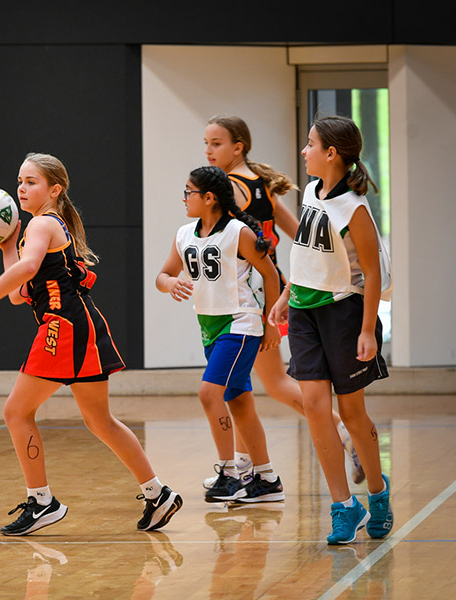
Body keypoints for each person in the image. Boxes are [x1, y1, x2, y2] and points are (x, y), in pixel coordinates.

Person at [0, 152, 183, 535]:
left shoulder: (42, 224)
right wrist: (7, 243)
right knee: (100, 421)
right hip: (81, 325)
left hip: (65, 328)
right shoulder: (38, 229)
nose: (22, 188)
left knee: (16, 412)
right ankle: (158, 494)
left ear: (54, 189)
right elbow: (19, 293)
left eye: (31, 182)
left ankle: (42, 501)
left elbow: (25, 271)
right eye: (19, 182)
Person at [203, 115, 364, 486]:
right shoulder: (259, 184)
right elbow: (301, 232)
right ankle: (245, 466)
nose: (209, 150)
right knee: (244, 385)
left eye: (216, 143)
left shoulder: (228, 188)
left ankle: (340, 434)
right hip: (270, 290)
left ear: (237, 146)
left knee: (260, 385)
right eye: (207, 144)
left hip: (253, 296)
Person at [269, 116, 393, 545]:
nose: (304, 151)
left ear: (331, 153)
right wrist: (287, 295)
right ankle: (343, 505)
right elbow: (305, 254)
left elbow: (373, 274)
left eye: (310, 144)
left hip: (344, 314)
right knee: (316, 407)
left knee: (353, 414)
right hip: (304, 315)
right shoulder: (311, 194)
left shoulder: (353, 208)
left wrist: (368, 331)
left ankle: (377, 493)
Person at [156, 165, 284, 504]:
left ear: (209, 198)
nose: (183, 198)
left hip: (240, 323)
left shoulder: (238, 232)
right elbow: (163, 275)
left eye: (189, 192)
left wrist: (271, 324)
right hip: (210, 327)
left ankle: (228, 473)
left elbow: (271, 276)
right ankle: (267, 478)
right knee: (239, 402)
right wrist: (171, 283)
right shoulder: (184, 234)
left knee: (209, 394)